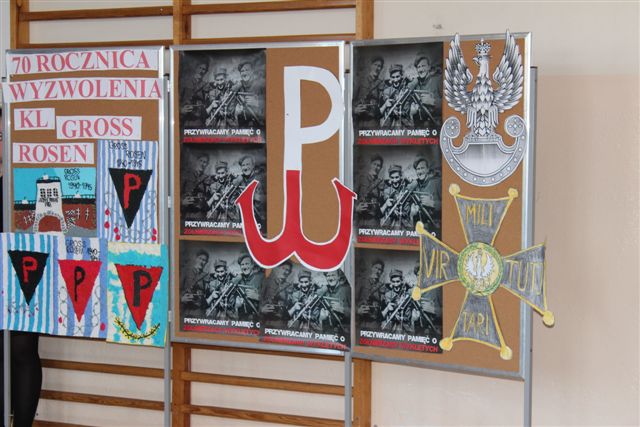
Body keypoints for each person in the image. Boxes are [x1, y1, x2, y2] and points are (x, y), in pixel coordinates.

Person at [381, 269, 421, 334]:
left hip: (407, 328)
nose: (396, 284)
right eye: (393, 282)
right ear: (391, 282)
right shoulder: (388, 294)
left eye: (398, 281)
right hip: (393, 327)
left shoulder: (408, 293)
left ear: (402, 281)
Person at [409, 52, 442, 129]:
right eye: (418, 67)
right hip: (421, 127)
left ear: (429, 67)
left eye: (423, 66)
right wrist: (412, 108)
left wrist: (433, 101)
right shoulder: (416, 84)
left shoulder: (438, 80)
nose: (421, 70)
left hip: (436, 126)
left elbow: (449, 104)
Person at [232, 155, 266, 230]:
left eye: (247, 164)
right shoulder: (240, 179)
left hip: (257, 219)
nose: (245, 167)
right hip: (242, 219)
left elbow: (266, 200)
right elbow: (233, 195)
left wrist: (252, 196)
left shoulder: (260, 179)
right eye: (243, 165)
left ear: (253, 166)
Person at [408, 157, 441, 232]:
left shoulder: (437, 183)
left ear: (427, 169)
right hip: (421, 227)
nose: (420, 171)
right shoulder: (416, 185)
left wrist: (432, 203)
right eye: (417, 169)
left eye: (422, 168)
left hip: (435, 227)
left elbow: (450, 205)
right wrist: (412, 211)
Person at [353, 56, 385, 129]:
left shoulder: (381, 84)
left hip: (374, 121)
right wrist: (354, 110)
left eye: (379, 66)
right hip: (360, 120)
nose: (377, 68)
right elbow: (348, 100)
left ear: (381, 69)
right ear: (371, 65)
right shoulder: (360, 81)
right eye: (375, 65)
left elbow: (382, 103)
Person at [230, 61, 264, 128]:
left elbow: (273, 103)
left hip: (259, 124)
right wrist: (235, 111)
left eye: (247, 70)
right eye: (242, 71)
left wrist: (257, 103)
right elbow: (230, 107)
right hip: (243, 126)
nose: (244, 73)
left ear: (252, 71)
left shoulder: (261, 84)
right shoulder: (237, 87)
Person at [260, 261, 293, 329]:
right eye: (283, 268)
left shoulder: (289, 286)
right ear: (278, 268)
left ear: (289, 273)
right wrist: (261, 309)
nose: (285, 272)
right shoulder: (267, 281)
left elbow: (289, 305)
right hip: (266, 320)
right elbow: (258, 297)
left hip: (281, 321)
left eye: (287, 270)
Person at [355, 154, 385, 228]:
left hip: (375, 221)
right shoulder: (361, 178)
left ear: (380, 168)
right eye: (374, 164)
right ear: (370, 164)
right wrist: (355, 208)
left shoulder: (380, 183)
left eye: (378, 166)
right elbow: (350, 195)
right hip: (362, 219)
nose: (376, 167)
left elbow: (381, 202)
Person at [230, 254, 262, 321]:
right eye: (242, 264)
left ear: (252, 265)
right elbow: (230, 298)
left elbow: (272, 299)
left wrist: (257, 297)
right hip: (242, 318)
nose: (244, 267)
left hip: (257, 318)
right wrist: (235, 304)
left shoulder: (261, 278)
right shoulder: (238, 279)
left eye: (247, 264)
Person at [179, 250, 210, 320]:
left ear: (206, 263)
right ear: (195, 258)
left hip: (199, 311)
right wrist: (181, 298)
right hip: (186, 309)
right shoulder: (185, 272)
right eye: (200, 258)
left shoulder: (206, 276)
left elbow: (207, 294)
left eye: (204, 260)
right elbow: (176, 289)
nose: (201, 262)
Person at [380, 64, 412, 129]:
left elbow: (407, 108)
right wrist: (391, 109)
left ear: (401, 76)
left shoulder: (406, 90)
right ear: (390, 78)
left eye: (397, 77)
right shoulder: (387, 91)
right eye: (393, 77)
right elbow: (386, 102)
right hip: (390, 124)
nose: (395, 80)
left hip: (404, 124)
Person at [356, 259, 386, 330]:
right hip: (363, 320)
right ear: (371, 268)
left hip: (375, 322)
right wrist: (357, 310)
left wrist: (383, 320)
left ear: (382, 272)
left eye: (380, 270)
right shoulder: (362, 282)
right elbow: (352, 299)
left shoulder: (382, 286)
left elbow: (382, 305)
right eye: (376, 268)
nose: (377, 271)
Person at [180, 57, 209, 128]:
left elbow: (206, 103)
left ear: (206, 72)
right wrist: (180, 110)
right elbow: (175, 101)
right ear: (196, 68)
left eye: (204, 69)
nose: (201, 71)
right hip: (186, 120)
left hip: (199, 121)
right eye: (200, 68)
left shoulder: (206, 86)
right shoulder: (185, 83)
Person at [181, 152, 212, 220]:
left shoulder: (207, 179)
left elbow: (208, 196)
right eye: (201, 160)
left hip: (200, 214)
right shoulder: (186, 175)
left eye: (205, 162)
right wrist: (181, 202)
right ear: (196, 161)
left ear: (207, 164)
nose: (202, 164)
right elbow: (175, 193)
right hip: (187, 212)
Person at [380, 164, 412, 229]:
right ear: (389, 178)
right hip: (390, 223)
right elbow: (387, 200)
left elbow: (407, 209)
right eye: (392, 178)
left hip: (404, 224)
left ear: (401, 177)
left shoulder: (406, 189)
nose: (394, 181)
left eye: (397, 177)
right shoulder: (387, 190)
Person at [319, 270, 350, 334]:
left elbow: (358, 311)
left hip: (344, 331)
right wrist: (321, 317)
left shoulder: (347, 290)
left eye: (333, 275)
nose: (330, 278)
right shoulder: (325, 291)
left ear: (338, 276)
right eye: (328, 276)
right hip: (329, 331)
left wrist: (342, 309)